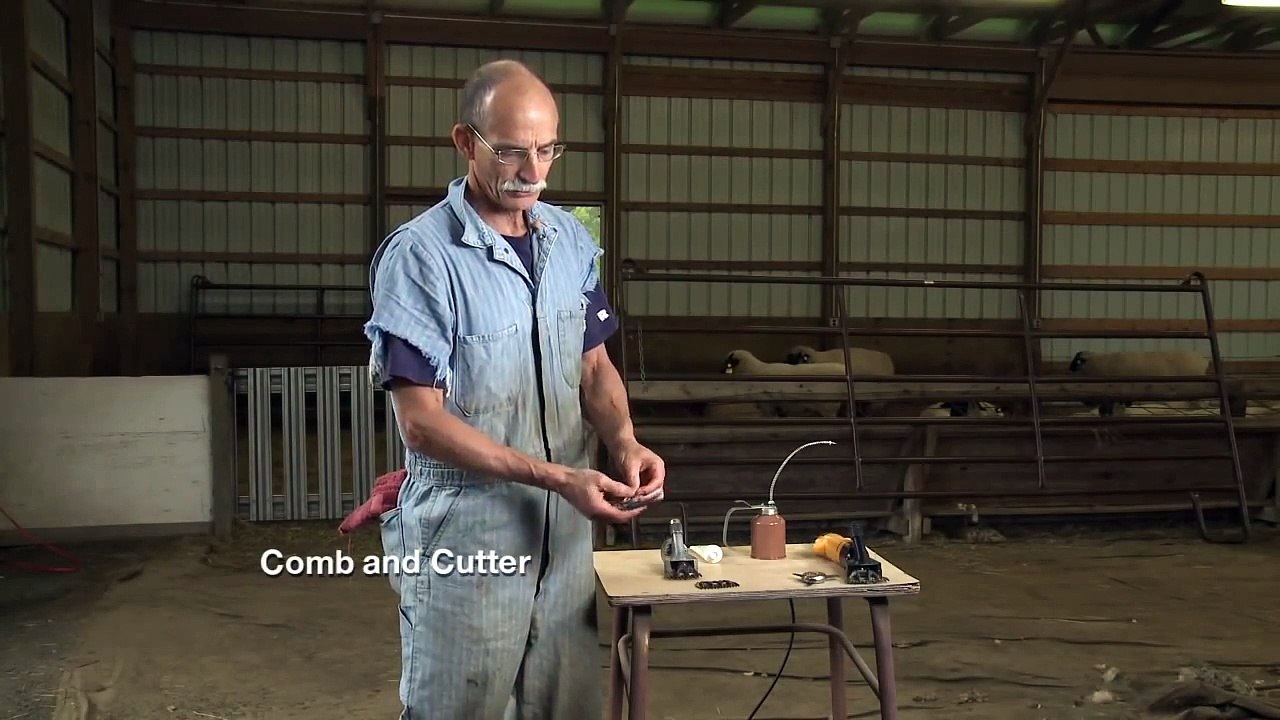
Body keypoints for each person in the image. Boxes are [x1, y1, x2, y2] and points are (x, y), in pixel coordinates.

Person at [363, 59, 667, 720]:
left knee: (565, 706)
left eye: (546, 149)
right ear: (464, 142)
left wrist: (623, 440)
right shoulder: (421, 257)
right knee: (459, 707)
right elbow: (422, 423)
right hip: (467, 535)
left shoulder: (569, 240)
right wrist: (560, 477)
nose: (533, 172)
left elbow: (593, 366)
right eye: (509, 152)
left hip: (565, 538)